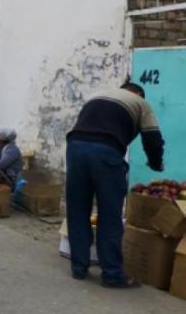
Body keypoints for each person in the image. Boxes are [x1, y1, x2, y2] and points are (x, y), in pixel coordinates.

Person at [66, 82, 164, 288]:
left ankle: (79, 267)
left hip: (75, 148)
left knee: (77, 209)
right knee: (110, 215)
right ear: (138, 94)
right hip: (106, 152)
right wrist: (156, 163)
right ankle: (112, 274)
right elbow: (153, 138)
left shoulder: (96, 95)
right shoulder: (141, 103)